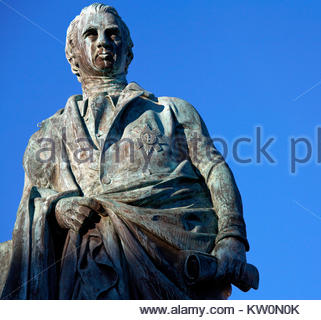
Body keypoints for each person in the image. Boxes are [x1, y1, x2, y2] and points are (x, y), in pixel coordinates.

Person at [1, 3, 252, 299]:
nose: (104, 41)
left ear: (128, 51)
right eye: (91, 35)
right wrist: (57, 210)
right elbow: (32, 205)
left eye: (113, 34)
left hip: (175, 258)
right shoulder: (49, 134)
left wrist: (232, 237)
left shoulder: (172, 111)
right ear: (73, 56)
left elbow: (215, 170)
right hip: (88, 260)